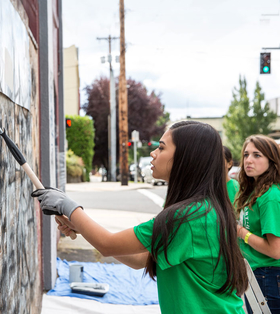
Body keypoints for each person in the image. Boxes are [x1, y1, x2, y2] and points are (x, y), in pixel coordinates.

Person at [32, 121, 248, 314]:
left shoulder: (187, 217)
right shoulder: (204, 209)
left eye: (162, 148)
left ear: (186, 158)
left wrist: (68, 207)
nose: (153, 153)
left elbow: (108, 244)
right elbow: (139, 258)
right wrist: (81, 226)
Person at [235, 135, 280, 314]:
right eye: (246, 155)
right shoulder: (254, 191)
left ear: (272, 160)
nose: (248, 160)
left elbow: (275, 250)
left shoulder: (270, 197)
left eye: (257, 155)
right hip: (255, 274)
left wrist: (241, 232)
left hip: (269, 276)